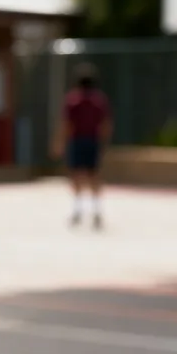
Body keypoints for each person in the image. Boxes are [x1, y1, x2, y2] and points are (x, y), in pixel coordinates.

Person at [52, 62, 113, 229]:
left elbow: (66, 124)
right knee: (94, 176)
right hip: (93, 141)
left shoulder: (72, 100)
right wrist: (104, 144)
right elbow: (106, 124)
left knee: (76, 175)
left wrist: (59, 143)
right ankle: (96, 210)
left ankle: (78, 209)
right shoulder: (99, 100)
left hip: (77, 140)